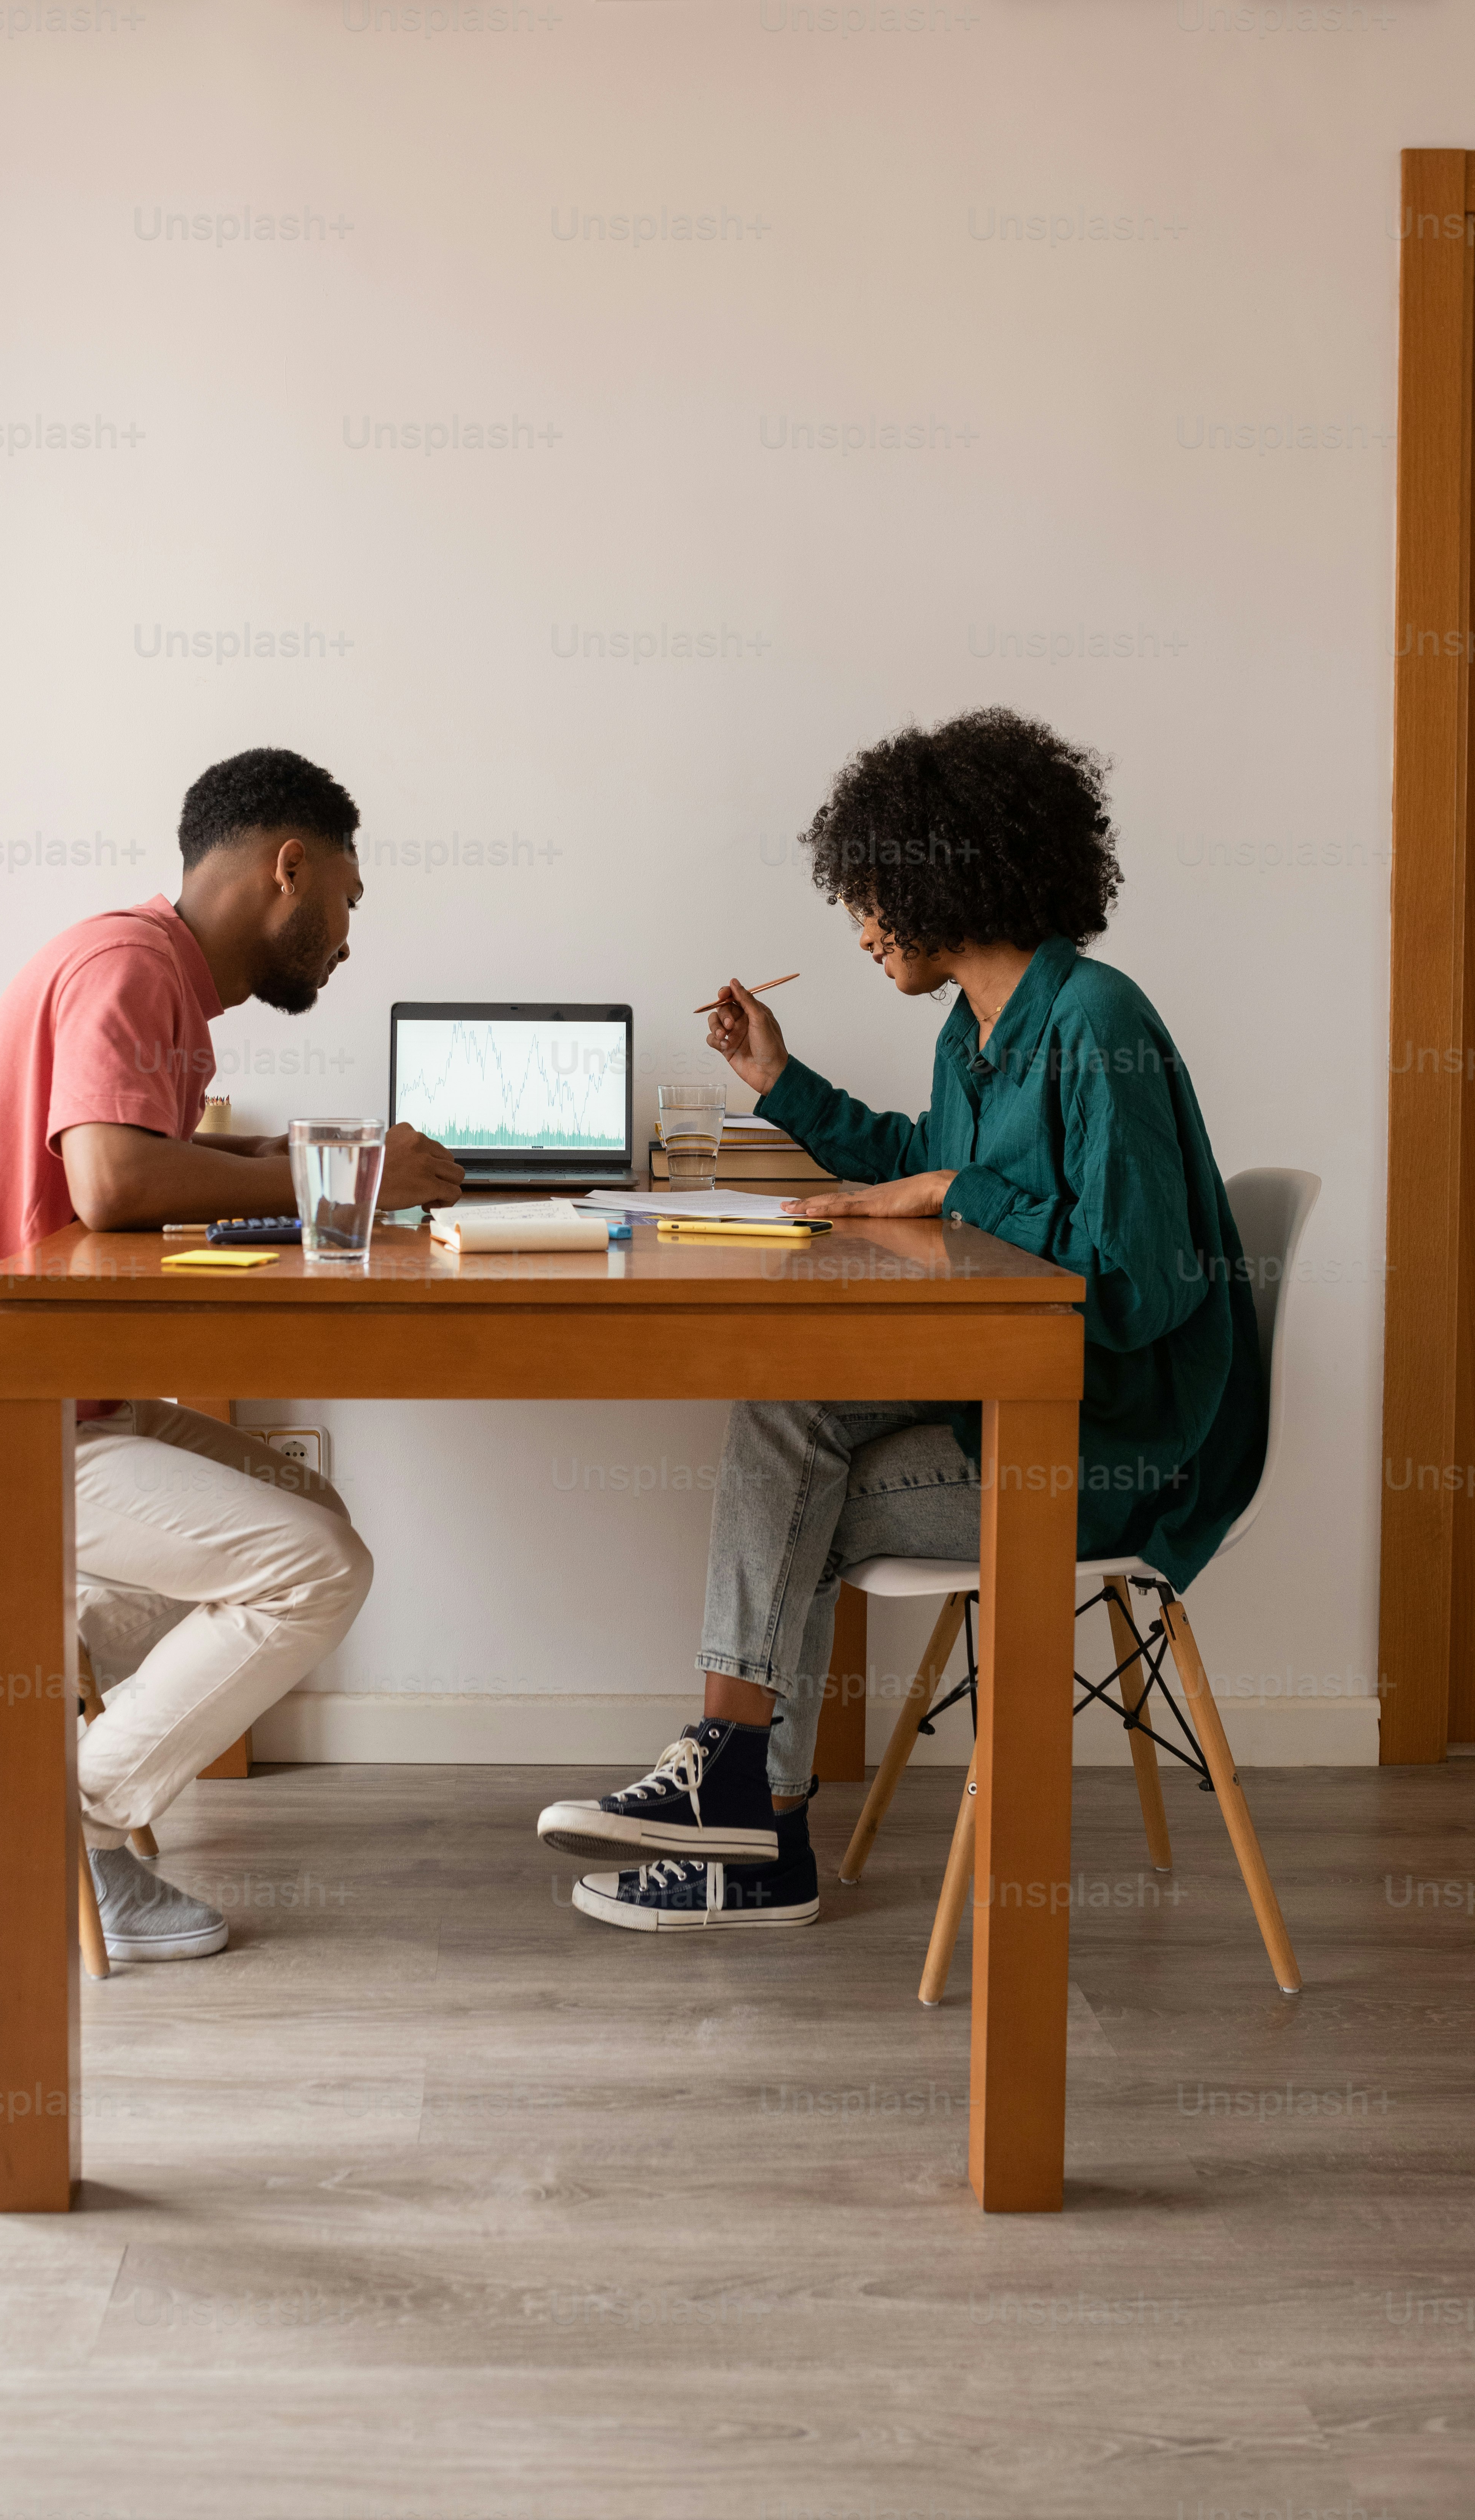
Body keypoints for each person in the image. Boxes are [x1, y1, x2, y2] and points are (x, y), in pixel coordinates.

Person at [537, 707, 1267, 1934]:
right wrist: (779, 1082)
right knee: (786, 1405)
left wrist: (955, 1189)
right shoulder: (970, 1035)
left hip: (1104, 1440)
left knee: (797, 1498)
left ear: (947, 875)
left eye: (872, 893)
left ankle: (749, 1824)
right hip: (1011, 1380)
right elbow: (919, 1162)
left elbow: (1138, 1282)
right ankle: (741, 1806)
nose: (862, 924)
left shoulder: (1097, 1021)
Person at [0, 748, 463, 1961]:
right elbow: (114, 1181)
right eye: (347, 898)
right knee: (316, 1568)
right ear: (289, 869)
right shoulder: (128, 968)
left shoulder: (151, 971)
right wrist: (341, 1178)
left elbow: (156, 1163)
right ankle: (59, 1822)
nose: (346, 938)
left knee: (306, 1509)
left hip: (27, 1398)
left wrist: (333, 1161)